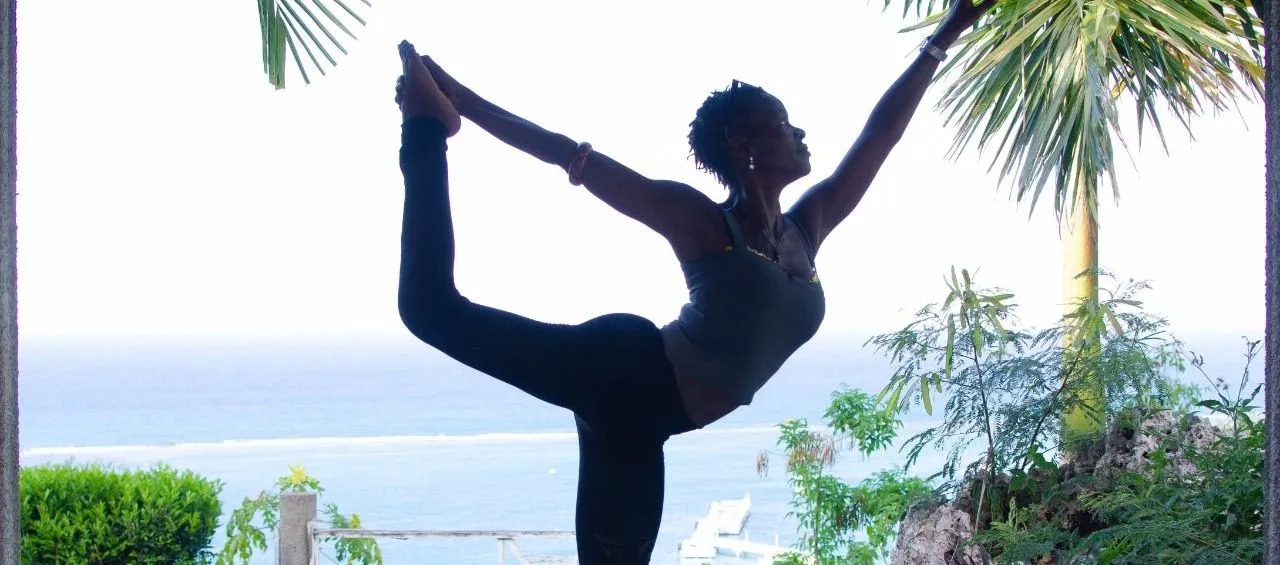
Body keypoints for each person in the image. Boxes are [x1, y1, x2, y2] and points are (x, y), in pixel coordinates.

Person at [393, 1, 991, 562]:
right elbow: (568, 156)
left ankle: (431, 116)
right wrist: (460, 101)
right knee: (427, 307)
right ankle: (425, 127)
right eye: (783, 124)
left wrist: (945, 35)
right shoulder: (704, 223)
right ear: (744, 147)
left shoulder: (806, 228)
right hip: (623, 373)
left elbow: (878, 136)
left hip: (644, 422)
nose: (800, 134)